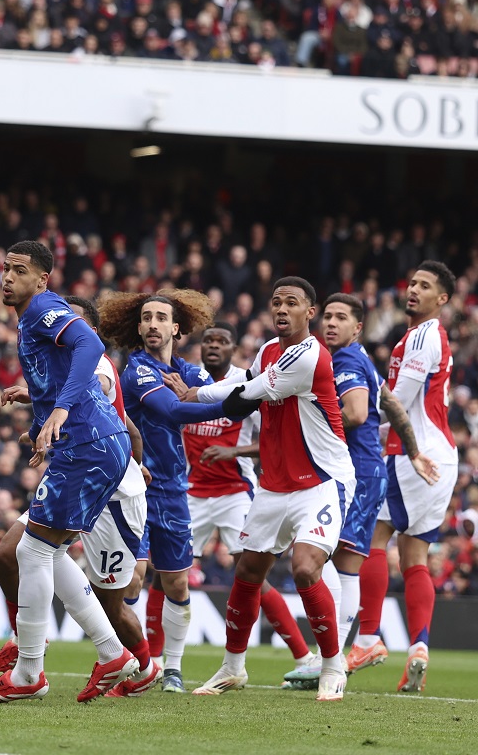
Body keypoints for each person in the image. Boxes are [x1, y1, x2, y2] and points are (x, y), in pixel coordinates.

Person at [0, 242, 148, 705]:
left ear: (42, 280)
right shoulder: (29, 320)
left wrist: (63, 410)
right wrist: (40, 425)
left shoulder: (44, 310)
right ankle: (112, 653)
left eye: (20, 270)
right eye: (5, 268)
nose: (7, 277)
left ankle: (30, 671)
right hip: (93, 444)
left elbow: (91, 344)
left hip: (90, 443)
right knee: (46, 551)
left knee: (30, 550)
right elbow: (49, 379)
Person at [173, 277, 355, 702]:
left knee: (305, 567)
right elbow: (244, 382)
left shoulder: (310, 356)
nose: (281, 309)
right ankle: (233, 668)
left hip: (321, 482)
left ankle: (332, 665)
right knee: (248, 572)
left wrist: (193, 395)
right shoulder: (269, 350)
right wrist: (194, 394)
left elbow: (243, 398)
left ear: (309, 312)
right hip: (274, 486)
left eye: (292, 303)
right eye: (276, 302)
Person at [99, 290, 244, 693]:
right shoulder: (138, 370)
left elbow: (220, 387)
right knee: (132, 580)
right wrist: (230, 404)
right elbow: (174, 410)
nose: (152, 324)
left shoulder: (186, 369)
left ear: (176, 328)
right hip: (135, 488)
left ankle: (173, 669)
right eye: (146, 318)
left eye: (161, 317)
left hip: (175, 492)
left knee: (177, 584)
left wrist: (256, 386)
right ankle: (129, 662)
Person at [181, 323, 320, 686]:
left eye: (221, 342)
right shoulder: (192, 383)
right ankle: (165, 668)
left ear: (233, 349)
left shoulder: (248, 381)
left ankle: (304, 656)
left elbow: (276, 436)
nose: (213, 347)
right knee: (169, 574)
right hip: (191, 491)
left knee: (252, 573)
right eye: (208, 341)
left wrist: (233, 450)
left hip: (235, 492)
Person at [351, 262, 457, 692]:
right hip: (441, 456)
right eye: (412, 283)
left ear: (442, 299)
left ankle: (368, 638)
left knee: (374, 538)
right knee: (414, 557)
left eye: (425, 286)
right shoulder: (431, 337)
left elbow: (398, 401)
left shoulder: (420, 336)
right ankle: (419, 647)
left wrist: (351, 418)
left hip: (414, 455)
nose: (413, 290)